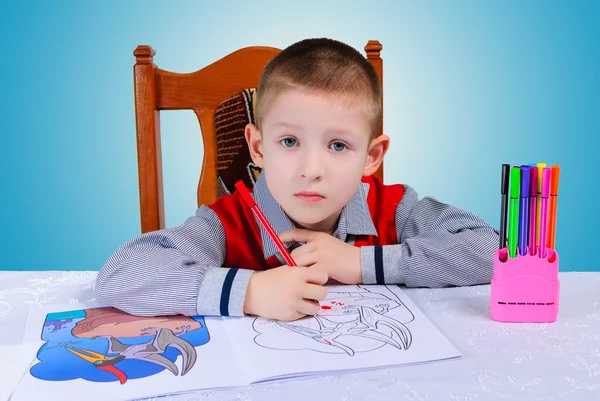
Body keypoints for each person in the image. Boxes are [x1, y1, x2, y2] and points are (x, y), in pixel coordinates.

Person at [95, 37, 499, 322]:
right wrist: (249, 293)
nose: (311, 168)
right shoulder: (225, 223)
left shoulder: (393, 208)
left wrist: (362, 263)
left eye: (338, 146)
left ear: (371, 156)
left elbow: (497, 251)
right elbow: (119, 276)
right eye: (289, 141)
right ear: (257, 148)